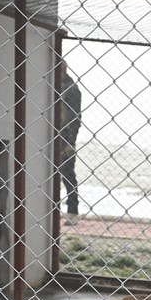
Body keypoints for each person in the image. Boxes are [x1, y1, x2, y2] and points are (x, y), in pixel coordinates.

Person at [60, 68, 83, 219]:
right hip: (55, 134)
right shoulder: (54, 87)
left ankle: (72, 210)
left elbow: (75, 118)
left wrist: (70, 141)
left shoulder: (71, 90)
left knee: (67, 174)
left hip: (65, 135)